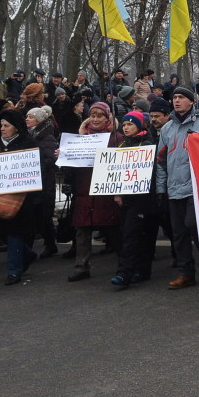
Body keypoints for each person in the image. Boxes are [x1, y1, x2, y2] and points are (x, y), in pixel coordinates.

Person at [156, 87, 199, 289]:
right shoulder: (167, 129)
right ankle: (186, 272)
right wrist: (161, 188)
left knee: (194, 226)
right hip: (174, 187)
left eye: (181, 97)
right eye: (174, 97)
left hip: (197, 187)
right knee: (179, 233)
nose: (176, 101)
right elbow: (160, 161)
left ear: (192, 101)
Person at [66, 102, 122, 282]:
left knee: (112, 227)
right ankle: (81, 266)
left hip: (106, 189)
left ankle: (125, 264)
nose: (96, 119)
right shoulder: (79, 139)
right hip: (84, 188)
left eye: (100, 116)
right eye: (93, 115)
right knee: (82, 229)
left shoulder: (116, 138)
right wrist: (63, 155)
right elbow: (70, 166)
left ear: (108, 119)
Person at [0, 109, 39, 285]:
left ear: (16, 128)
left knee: (15, 233)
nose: (2, 129)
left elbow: (37, 170)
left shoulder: (28, 143)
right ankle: (27, 254)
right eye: (1, 125)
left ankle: (14, 271)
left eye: (6, 126)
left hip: (21, 198)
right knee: (1, 231)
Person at [109, 110, 159, 291]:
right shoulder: (122, 144)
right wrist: (118, 193)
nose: (126, 127)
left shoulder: (146, 144)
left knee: (132, 235)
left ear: (138, 125)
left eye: (130, 124)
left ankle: (124, 273)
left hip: (142, 199)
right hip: (127, 198)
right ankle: (141, 270)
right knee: (132, 234)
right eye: (123, 124)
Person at [26, 106, 60, 258]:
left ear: (39, 120)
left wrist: (33, 164)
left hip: (44, 182)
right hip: (34, 181)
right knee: (36, 215)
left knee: (44, 215)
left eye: (30, 117)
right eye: (26, 116)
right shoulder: (30, 135)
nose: (27, 119)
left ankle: (50, 244)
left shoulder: (46, 137)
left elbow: (50, 159)